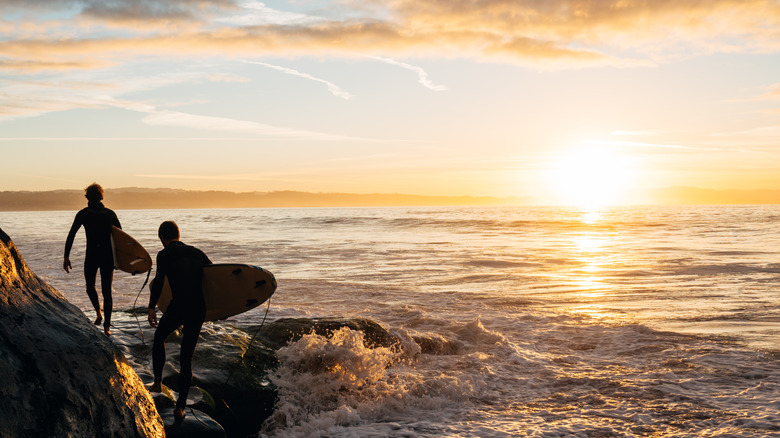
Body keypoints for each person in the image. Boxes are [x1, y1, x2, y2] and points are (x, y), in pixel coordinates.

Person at [147, 220, 212, 422]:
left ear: (162, 238)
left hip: (179, 306)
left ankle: (158, 383)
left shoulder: (164, 254)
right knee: (186, 358)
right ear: (178, 234)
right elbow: (214, 278)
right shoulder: (197, 252)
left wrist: (151, 307)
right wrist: (221, 308)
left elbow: (158, 281)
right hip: (198, 308)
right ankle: (180, 407)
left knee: (159, 338)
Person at [64, 183, 121, 336]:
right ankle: (104, 322)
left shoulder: (86, 214)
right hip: (106, 257)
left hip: (94, 256)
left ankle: (101, 316)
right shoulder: (108, 214)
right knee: (104, 291)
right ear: (101, 196)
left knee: (92, 287)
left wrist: (66, 256)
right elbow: (121, 238)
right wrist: (119, 260)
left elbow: (71, 235)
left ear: (87, 197)